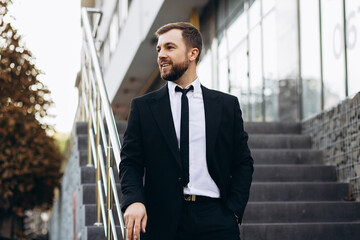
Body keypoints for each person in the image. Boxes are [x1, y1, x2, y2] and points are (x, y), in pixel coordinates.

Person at [119, 22, 253, 240]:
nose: (161, 54)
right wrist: (134, 200)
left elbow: (243, 162)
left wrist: (233, 211)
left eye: (170, 48)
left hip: (216, 218)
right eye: (159, 49)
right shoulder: (143, 107)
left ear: (193, 53)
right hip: (161, 220)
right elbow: (130, 162)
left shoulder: (226, 105)